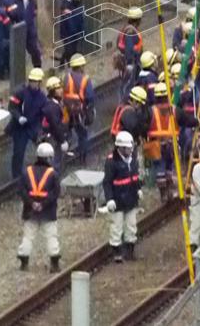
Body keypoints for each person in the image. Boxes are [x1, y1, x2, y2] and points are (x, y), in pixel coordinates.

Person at [17, 142, 61, 272]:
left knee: (28, 236)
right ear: (48, 158)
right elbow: (55, 193)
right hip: (48, 211)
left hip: (30, 211)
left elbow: (21, 191)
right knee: (51, 237)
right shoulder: (53, 174)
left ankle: (24, 262)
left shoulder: (27, 172)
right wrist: (43, 204)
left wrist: (32, 203)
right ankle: (54, 263)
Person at [103, 131, 143, 263]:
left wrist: (138, 189)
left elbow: (135, 177)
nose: (130, 150)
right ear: (120, 147)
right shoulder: (111, 162)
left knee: (131, 225)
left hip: (131, 198)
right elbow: (107, 182)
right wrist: (109, 199)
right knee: (116, 226)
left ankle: (130, 250)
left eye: (131, 147)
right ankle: (116, 252)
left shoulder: (132, 160)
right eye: (128, 148)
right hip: (118, 200)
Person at [7, 68, 48, 178]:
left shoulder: (42, 97)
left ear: (40, 82)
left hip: (34, 127)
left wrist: (41, 129)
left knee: (43, 150)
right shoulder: (20, 92)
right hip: (20, 129)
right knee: (18, 153)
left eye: (35, 81)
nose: (33, 83)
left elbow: (44, 114)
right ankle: (16, 176)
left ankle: (43, 172)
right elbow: (12, 107)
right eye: (32, 81)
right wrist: (18, 117)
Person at [146, 82, 177, 201]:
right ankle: (170, 190)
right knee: (169, 166)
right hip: (170, 143)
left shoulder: (151, 111)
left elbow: (145, 125)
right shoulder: (173, 109)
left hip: (156, 144)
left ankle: (163, 193)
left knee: (159, 168)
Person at [62, 54, 96, 164]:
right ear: (81, 66)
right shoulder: (85, 79)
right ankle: (83, 159)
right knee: (83, 135)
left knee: (66, 134)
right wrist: (89, 111)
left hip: (67, 111)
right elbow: (90, 97)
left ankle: (63, 158)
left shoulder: (66, 77)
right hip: (79, 113)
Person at [41, 76, 70, 170]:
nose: (61, 90)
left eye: (61, 87)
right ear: (52, 91)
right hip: (54, 138)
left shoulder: (54, 103)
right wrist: (62, 141)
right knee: (55, 162)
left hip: (54, 136)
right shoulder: (52, 107)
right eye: (58, 89)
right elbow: (55, 125)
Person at [117, 7, 144, 99]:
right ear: (138, 19)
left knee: (127, 83)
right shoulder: (131, 32)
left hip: (129, 62)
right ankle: (125, 103)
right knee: (128, 84)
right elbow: (129, 49)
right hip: (130, 62)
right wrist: (129, 64)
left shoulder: (127, 29)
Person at [57, 0, 85, 66]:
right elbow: (64, 10)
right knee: (69, 48)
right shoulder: (67, 0)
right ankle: (69, 65)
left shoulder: (77, 2)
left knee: (72, 48)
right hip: (66, 30)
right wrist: (71, 13)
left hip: (74, 30)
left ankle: (63, 63)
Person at [17, 0, 42, 68]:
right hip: (19, 30)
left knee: (35, 51)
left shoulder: (33, 1)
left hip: (30, 31)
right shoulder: (16, 1)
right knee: (18, 53)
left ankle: (37, 68)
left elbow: (33, 14)